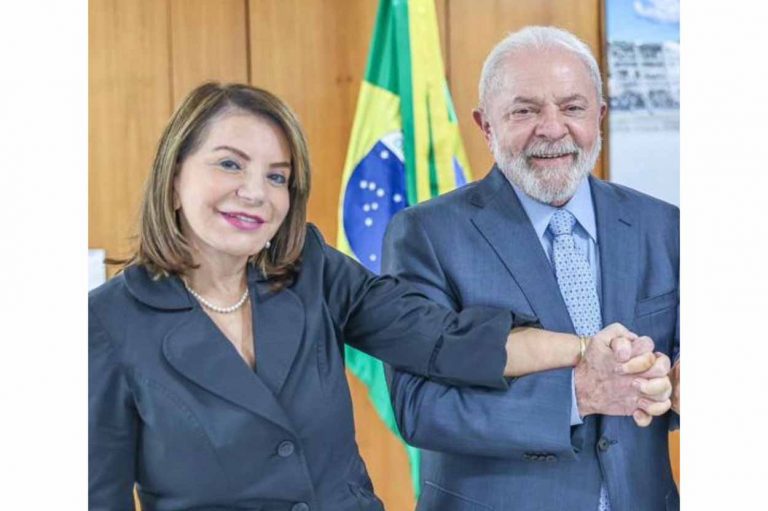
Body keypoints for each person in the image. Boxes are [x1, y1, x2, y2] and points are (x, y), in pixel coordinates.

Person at [88, 82, 662, 511]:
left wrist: (587, 347)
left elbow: (443, 341)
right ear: (174, 175)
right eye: (229, 164)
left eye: (277, 176)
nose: (254, 192)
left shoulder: (309, 268)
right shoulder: (108, 323)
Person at [383, 26, 680, 511]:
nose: (552, 128)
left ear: (600, 117)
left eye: (572, 107)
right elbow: (420, 408)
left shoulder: (665, 225)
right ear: (486, 126)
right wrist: (576, 395)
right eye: (524, 110)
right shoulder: (426, 234)